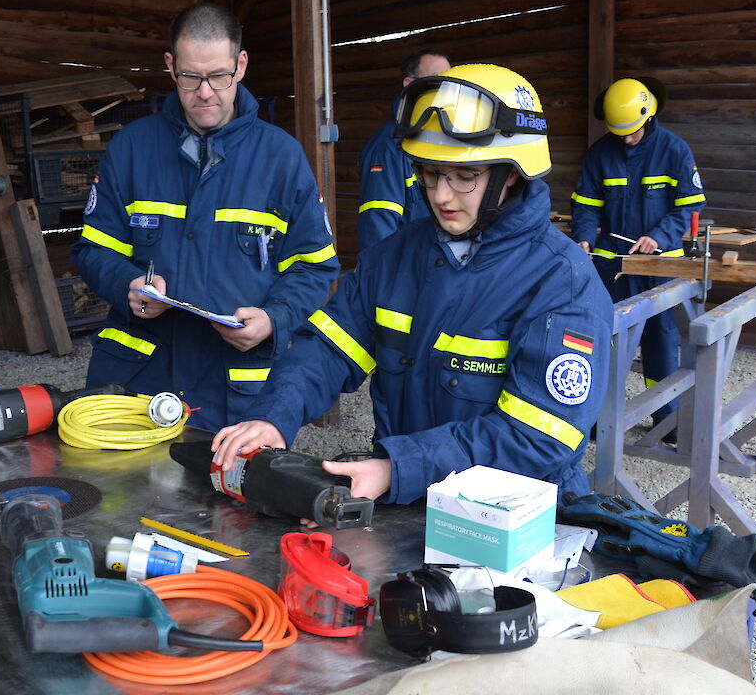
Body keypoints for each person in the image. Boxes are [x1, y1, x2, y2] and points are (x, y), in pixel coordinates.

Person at [212, 64, 613, 505]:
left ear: (512, 173)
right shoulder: (393, 258)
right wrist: (275, 416)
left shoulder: (563, 281)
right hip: (407, 501)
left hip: (515, 523)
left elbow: (539, 436)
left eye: (464, 177)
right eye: (430, 172)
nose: (441, 195)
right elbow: (326, 351)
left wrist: (399, 467)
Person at [71, 2, 339, 432]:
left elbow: (314, 266)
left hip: (237, 394)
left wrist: (273, 319)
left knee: (234, 498)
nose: (206, 92)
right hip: (138, 379)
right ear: (170, 66)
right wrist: (127, 286)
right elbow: (92, 250)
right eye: (191, 77)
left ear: (241, 65)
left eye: (218, 76)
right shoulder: (131, 148)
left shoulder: (281, 157)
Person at [570, 77, 705, 430]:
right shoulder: (600, 153)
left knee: (660, 339)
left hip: (661, 264)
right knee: (606, 340)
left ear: (648, 117)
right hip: (611, 265)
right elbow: (586, 206)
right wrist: (583, 238)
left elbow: (690, 208)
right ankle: (601, 419)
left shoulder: (674, 150)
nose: (625, 138)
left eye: (631, 131)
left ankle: (667, 419)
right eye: (619, 132)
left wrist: (657, 236)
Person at [356, 48, 451, 252]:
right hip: (411, 272)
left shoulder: (447, 137)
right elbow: (378, 226)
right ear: (410, 85)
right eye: (437, 80)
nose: (446, 88)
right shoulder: (389, 146)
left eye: (450, 80)